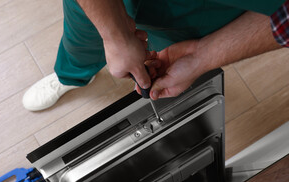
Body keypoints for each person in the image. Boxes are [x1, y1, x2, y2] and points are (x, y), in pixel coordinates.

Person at [22, 0, 289, 111]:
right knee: (84, 35)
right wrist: (115, 36)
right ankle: (73, 74)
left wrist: (201, 55)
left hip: (209, 9)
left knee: (170, 47)